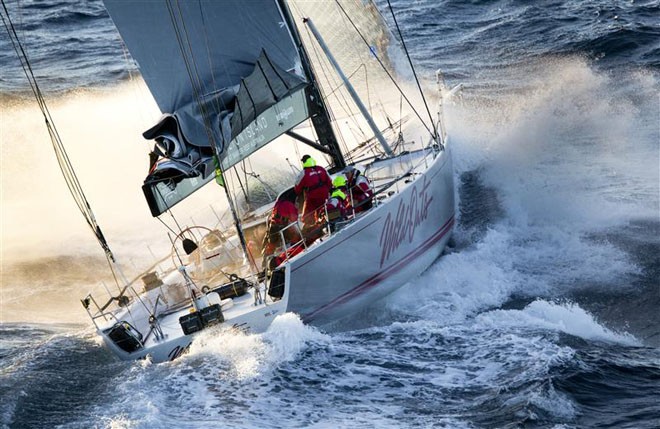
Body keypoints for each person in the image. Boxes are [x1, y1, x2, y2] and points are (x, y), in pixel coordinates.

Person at [294, 154, 332, 230]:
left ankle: (310, 230)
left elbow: (297, 188)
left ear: (304, 162)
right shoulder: (321, 168)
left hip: (312, 196)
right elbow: (330, 181)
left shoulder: (304, 173)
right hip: (325, 194)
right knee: (325, 209)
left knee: (307, 215)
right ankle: (327, 221)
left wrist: (300, 193)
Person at [261, 197, 301, 267]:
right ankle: (297, 251)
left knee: (270, 247)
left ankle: (265, 265)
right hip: (281, 225)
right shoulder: (290, 206)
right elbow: (293, 219)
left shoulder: (279, 203)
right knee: (296, 238)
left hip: (273, 226)